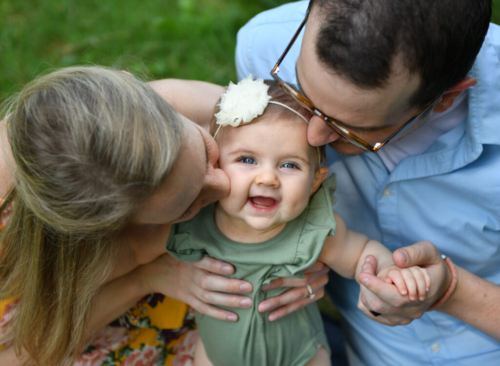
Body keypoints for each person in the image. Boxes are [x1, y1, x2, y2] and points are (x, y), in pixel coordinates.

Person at [0, 66, 329, 365]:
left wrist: (301, 248)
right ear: (111, 227)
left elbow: (290, 148)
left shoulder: (169, 105)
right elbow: (22, 353)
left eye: (204, 147)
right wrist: (145, 279)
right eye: (188, 205)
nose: (222, 184)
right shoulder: (46, 246)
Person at [235, 0, 500, 364]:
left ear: (446, 98)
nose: (313, 136)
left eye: (353, 130)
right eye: (302, 96)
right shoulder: (265, 48)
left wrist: (450, 293)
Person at [167, 78, 430, 366]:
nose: (267, 178)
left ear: (316, 181)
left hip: (301, 358)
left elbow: (360, 255)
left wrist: (392, 270)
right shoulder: (194, 217)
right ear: (215, 165)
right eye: (247, 160)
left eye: (289, 165)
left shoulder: (309, 230)